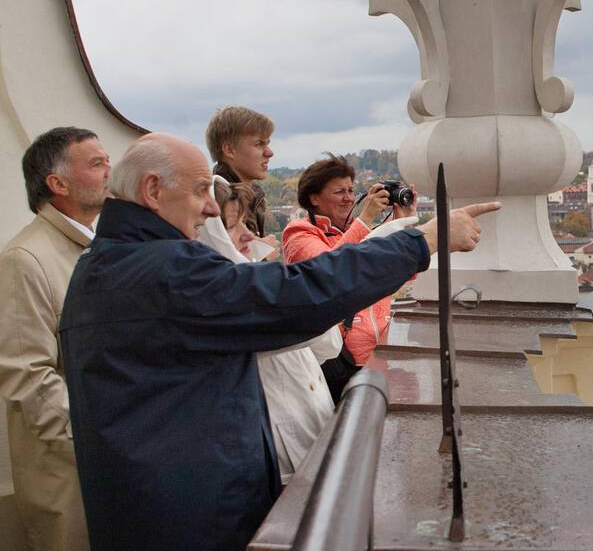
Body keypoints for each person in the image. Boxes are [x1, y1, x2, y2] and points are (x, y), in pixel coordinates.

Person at [60, 133, 496, 551]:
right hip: (192, 520)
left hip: (153, 508)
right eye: (199, 191)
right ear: (152, 190)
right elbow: (296, 295)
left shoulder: (103, 265)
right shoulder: (165, 273)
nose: (212, 207)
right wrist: (421, 241)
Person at [0, 127, 110, 551]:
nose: (109, 171)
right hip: (70, 478)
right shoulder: (24, 261)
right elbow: (28, 379)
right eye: (96, 163)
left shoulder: (93, 249)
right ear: (58, 183)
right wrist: (98, 445)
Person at [199, 178, 342, 484]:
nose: (249, 234)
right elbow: (316, 330)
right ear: (210, 236)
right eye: (233, 227)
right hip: (282, 455)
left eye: (246, 222)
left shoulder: (253, 279)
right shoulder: (222, 298)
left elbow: (329, 345)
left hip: (309, 433)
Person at [282, 156, 417, 399]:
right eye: (339, 192)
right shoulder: (299, 233)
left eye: (351, 190)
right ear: (314, 198)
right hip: (339, 361)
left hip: (378, 356)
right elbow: (328, 271)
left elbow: (407, 272)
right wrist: (365, 220)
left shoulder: (361, 233)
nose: (348, 198)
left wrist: (404, 223)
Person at [204, 105, 276, 249]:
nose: (269, 153)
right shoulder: (216, 202)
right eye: (259, 144)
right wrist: (262, 254)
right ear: (229, 150)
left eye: (267, 143)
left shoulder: (252, 193)